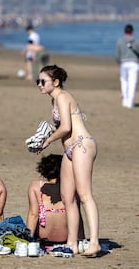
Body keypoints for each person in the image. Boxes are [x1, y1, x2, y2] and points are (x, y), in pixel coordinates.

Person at [37, 65, 101, 257]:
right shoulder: (54, 100)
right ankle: (71, 243)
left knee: (84, 195)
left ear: (55, 82)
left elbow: (65, 127)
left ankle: (94, 242)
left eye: (43, 81)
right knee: (67, 197)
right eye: (37, 81)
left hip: (82, 145)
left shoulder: (63, 96)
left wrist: (48, 140)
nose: (39, 85)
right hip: (70, 150)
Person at [26, 154, 85, 251]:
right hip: (66, 240)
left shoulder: (36, 186)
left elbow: (33, 215)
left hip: (43, 240)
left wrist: (28, 240)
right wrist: (81, 239)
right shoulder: (72, 188)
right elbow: (77, 216)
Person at [116, 23, 139, 108]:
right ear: (132, 31)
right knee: (132, 82)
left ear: (124, 31)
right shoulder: (136, 40)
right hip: (134, 63)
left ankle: (125, 101)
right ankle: (130, 102)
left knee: (124, 82)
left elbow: (118, 54)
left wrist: (118, 62)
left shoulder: (120, 40)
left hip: (123, 63)